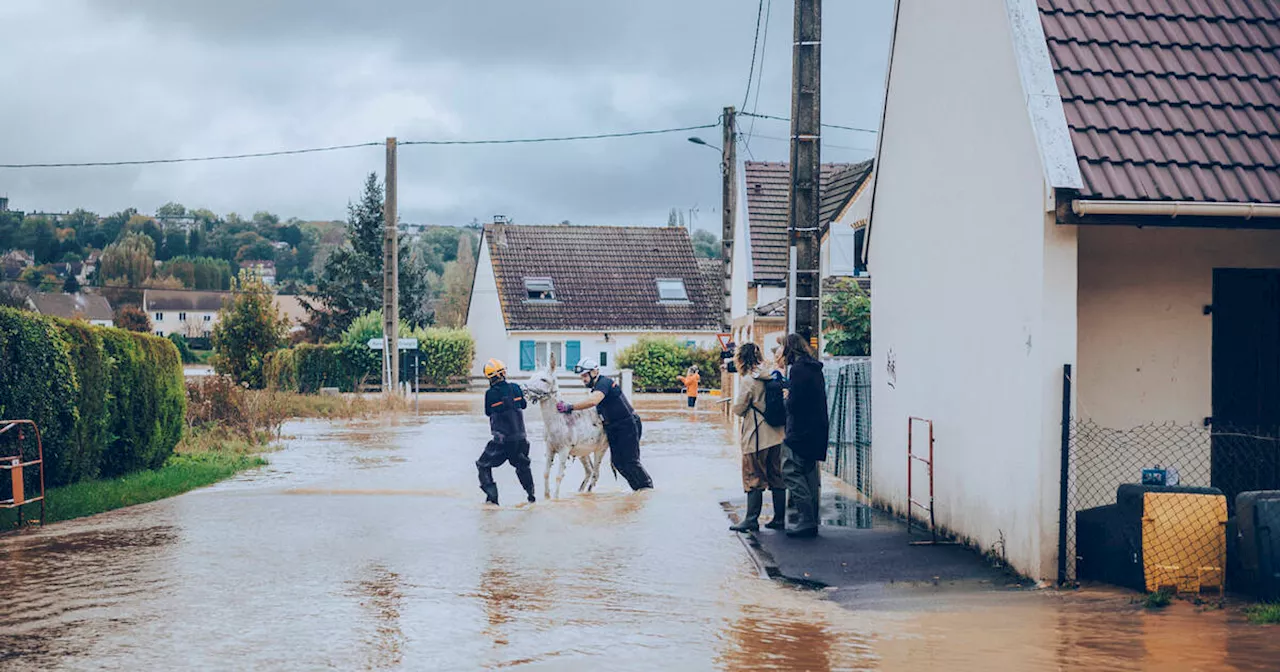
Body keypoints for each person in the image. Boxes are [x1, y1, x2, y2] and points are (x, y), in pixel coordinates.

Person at [557, 358, 653, 491]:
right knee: (618, 463)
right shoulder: (597, 387)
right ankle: (638, 491)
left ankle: (648, 489)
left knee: (631, 461)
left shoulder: (604, 383)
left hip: (628, 424)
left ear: (595, 372)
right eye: (582, 376)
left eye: (585, 375)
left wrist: (570, 407)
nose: (583, 379)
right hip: (613, 428)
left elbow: (593, 401)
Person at [728, 343, 787, 532]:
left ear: (741, 359)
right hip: (776, 435)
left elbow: (738, 409)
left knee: (753, 478)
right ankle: (779, 519)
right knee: (776, 477)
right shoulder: (770, 375)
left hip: (756, 436)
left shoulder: (748, 380)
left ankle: (751, 519)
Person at [779, 334, 829, 538]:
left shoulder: (797, 370)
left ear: (789, 349)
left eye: (781, 349)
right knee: (809, 473)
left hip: (800, 430)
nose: (779, 354)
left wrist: (786, 398)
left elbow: (795, 404)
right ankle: (811, 520)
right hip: (817, 430)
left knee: (790, 470)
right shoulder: (814, 368)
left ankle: (806, 519)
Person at [477, 358, 536, 506]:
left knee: (483, 465)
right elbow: (523, 405)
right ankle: (531, 497)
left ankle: (492, 500)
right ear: (503, 373)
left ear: (489, 377)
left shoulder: (490, 394)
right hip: (521, 438)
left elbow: (488, 412)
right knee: (523, 466)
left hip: (501, 441)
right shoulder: (516, 387)